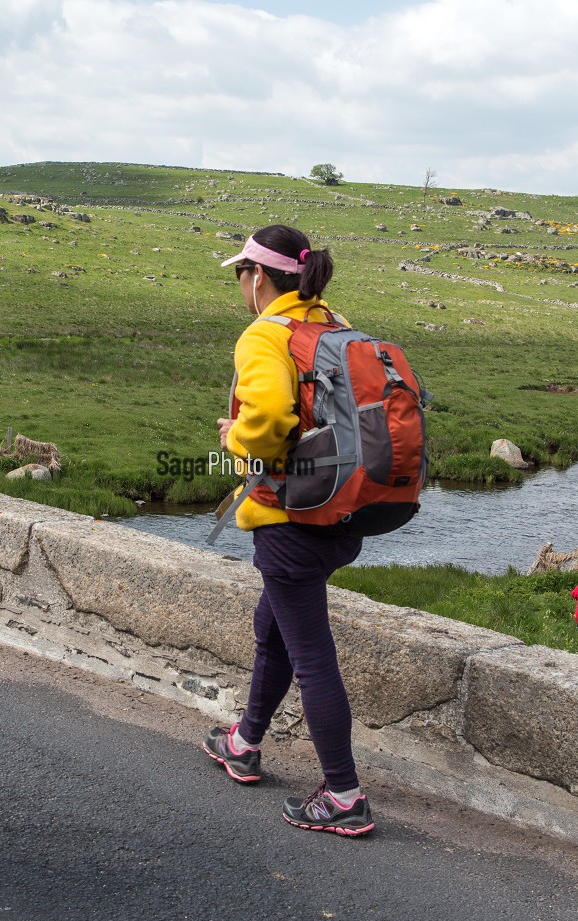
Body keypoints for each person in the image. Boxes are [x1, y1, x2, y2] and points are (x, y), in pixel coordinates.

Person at [200, 224, 373, 836]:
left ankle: (345, 796)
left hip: (289, 514)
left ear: (261, 277)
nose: (239, 287)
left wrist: (236, 440)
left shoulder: (264, 335)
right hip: (343, 509)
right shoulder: (332, 321)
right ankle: (244, 742)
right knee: (271, 623)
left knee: (310, 655)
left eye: (240, 274)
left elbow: (271, 415)